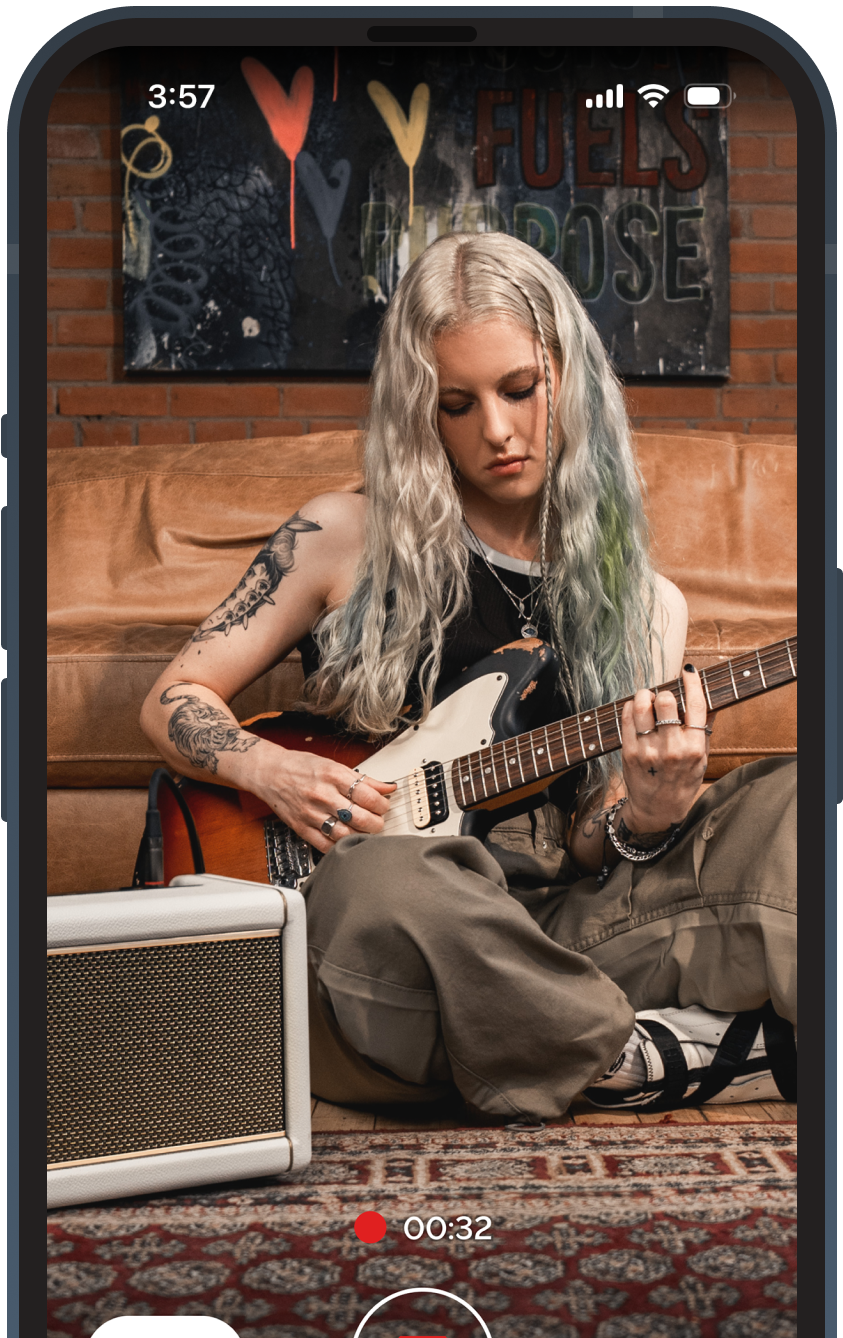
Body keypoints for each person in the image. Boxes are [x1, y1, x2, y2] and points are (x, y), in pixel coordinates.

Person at [140, 233, 796, 1122]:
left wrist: (644, 812)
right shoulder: (341, 536)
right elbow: (173, 698)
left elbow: (591, 845)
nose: (495, 430)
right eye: (456, 404)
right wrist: (270, 770)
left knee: (795, 805)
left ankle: (598, 1043)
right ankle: (640, 1053)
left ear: (570, 378)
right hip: (378, 938)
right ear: (420, 413)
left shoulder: (642, 604)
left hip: (551, 929)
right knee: (387, 882)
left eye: (520, 390)